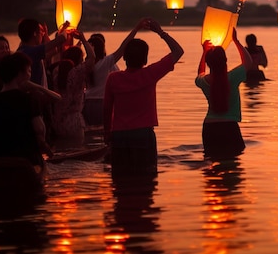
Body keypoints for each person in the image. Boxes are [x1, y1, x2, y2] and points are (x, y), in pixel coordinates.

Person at [103, 18, 184, 176]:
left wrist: (107, 134)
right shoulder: (150, 74)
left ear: (124, 58)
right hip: (143, 135)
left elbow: (106, 109)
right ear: (145, 59)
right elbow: (178, 51)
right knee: (146, 179)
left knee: (120, 179)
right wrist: (160, 32)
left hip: (119, 135)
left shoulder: (113, 78)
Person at [0, 52, 53, 175]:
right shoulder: (29, 99)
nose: (30, 75)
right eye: (28, 71)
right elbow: (39, 129)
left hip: (0, 164)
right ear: (19, 74)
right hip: (28, 163)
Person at [196, 28, 252, 159]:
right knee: (232, 169)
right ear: (225, 60)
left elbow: (200, 72)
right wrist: (236, 41)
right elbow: (248, 62)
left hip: (209, 128)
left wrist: (204, 52)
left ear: (209, 63)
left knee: (212, 168)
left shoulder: (204, 81)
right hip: (229, 127)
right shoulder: (232, 77)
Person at [83, 19, 146, 130]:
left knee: (90, 133)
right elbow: (124, 46)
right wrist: (136, 28)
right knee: (102, 133)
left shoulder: (84, 65)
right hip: (101, 103)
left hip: (86, 103)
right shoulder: (105, 62)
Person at [51, 30, 95, 148]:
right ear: (79, 60)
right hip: (74, 121)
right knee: (76, 156)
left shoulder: (56, 71)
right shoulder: (77, 72)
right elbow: (92, 58)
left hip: (58, 121)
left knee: (62, 155)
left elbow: (58, 55)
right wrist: (84, 39)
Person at [17, 18, 67, 88]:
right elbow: (62, 38)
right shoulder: (31, 51)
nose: (42, 35)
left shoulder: (23, 50)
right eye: (41, 31)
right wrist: (65, 29)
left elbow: (53, 50)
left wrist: (46, 34)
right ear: (34, 33)